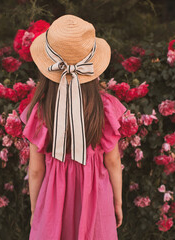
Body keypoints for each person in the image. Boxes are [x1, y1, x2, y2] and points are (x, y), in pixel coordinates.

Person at [19, 14, 127, 240]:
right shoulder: (104, 107)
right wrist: (117, 201)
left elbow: (36, 170)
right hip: (95, 198)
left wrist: (34, 209)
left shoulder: (40, 111)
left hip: (53, 200)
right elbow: (114, 161)